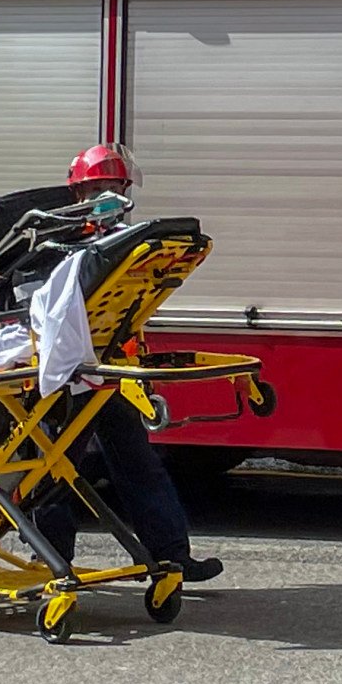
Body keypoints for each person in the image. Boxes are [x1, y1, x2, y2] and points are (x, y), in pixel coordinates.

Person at [30, 144, 222, 583]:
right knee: (57, 472)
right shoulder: (58, 244)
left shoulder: (128, 245)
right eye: (96, 188)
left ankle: (172, 556)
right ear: (78, 194)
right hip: (71, 377)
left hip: (111, 372)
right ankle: (51, 561)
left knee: (139, 466)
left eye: (113, 187)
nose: (106, 197)